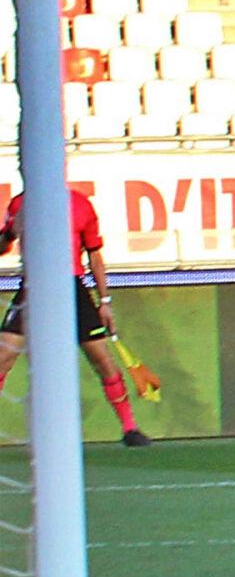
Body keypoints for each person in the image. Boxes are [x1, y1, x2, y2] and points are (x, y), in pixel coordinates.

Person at [0, 184, 149, 445]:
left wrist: (104, 301)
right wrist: (10, 233)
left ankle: (130, 428)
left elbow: (94, 255)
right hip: (34, 285)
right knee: (4, 354)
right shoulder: (19, 204)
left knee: (101, 358)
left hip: (72, 286)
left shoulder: (81, 205)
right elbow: (4, 245)